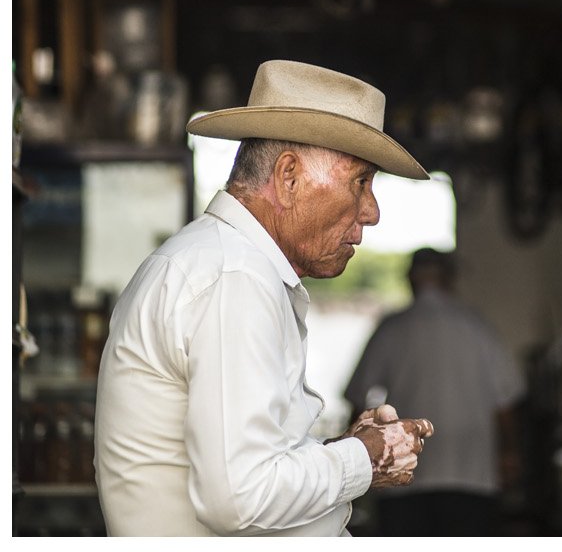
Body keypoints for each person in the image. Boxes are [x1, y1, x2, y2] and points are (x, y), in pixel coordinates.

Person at [95, 61, 435, 536]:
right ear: (289, 177)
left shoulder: (228, 265)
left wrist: (343, 452)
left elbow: (247, 473)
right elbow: (240, 500)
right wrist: (366, 456)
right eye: (359, 181)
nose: (372, 210)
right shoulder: (233, 275)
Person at [346, 248, 526, 534]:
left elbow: (358, 399)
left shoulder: (392, 328)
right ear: (450, 279)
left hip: (404, 480)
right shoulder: (478, 327)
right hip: (473, 479)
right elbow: (506, 401)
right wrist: (510, 453)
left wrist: (350, 457)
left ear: (410, 280)